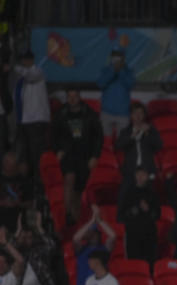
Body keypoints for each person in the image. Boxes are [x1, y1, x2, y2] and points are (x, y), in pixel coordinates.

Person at [53, 89, 103, 219]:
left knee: (78, 189)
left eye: (75, 96)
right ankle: (67, 214)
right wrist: (58, 150)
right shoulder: (61, 113)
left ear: (80, 97)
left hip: (84, 154)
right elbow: (54, 135)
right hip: (68, 153)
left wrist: (94, 156)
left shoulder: (90, 113)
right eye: (69, 96)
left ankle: (75, 218)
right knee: (69, 179)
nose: (72, 99)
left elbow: (98, 137)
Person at [12, 51, 51, 180]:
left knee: (37, 154)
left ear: (32, 60)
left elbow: (31, 76)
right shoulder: (20, 80)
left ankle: (40, 183)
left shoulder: (38, 72)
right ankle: (27, 184)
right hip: (23, 121)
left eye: (28, 59)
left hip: (37, 120)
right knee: (24, 155)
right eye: (23, 60)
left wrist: (15, 67)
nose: (25, 62)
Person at [97, 47, 135, 139]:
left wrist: (121, 71)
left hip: (123, 114)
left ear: (123, 59)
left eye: (119, 57)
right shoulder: (105, 70)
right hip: (106, 112)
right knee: (105, 141)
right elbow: (100, 84)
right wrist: (112, 71)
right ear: (111, 58)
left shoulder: (129, 71)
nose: (117, 60)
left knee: (122, 141)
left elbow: (130, 85)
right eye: (115, 57)